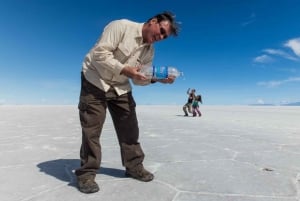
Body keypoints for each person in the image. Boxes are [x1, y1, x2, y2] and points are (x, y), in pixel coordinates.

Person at [75, 11, 180, 193]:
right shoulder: (121, 26)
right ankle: (86, 174)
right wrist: (126, 69)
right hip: (95, 79)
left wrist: (156, 78)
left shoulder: (149, 50)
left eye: (164, 36)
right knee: (92, 129)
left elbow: (139, 79)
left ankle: (134, 167)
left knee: (130, 128)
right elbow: (100, 53)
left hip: (120, 86)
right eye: (162, 31)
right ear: (153, 21)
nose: (161, 37)